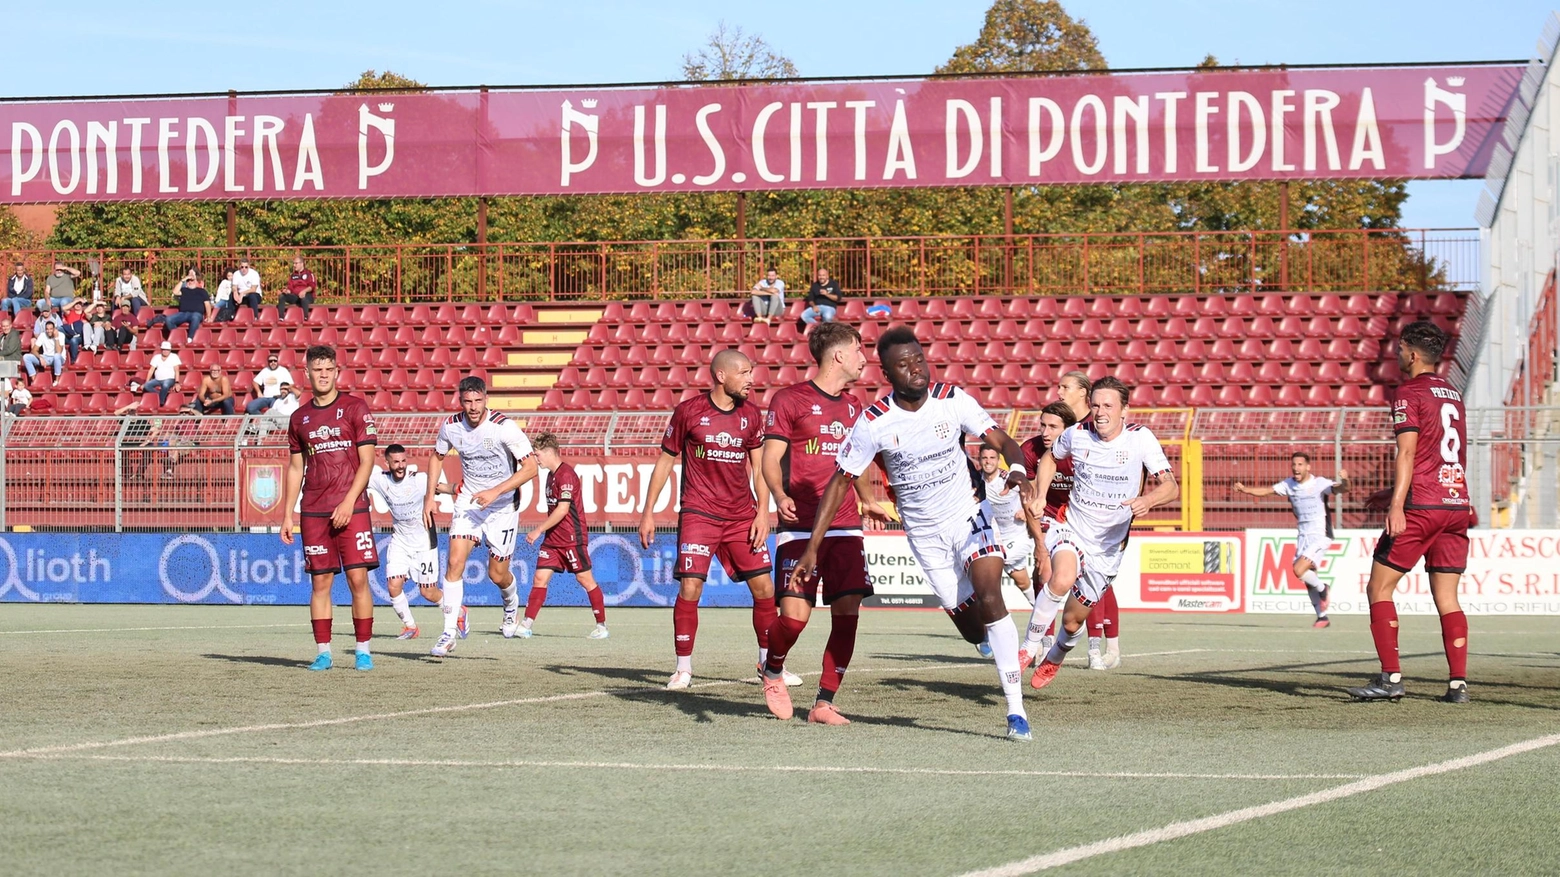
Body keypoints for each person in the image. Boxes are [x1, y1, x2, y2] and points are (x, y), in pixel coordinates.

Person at [790, 326, 1038, 740]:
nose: (915, 370)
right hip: (925, 534)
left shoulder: (952, 400)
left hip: (969, 515)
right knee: (973, 628)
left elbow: (1002, 439)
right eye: (903, 365)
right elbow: (839, 482)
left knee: (991, 593)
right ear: (887, 373)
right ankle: (985, 640)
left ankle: (1016, 712)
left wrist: (1017, 472)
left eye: (919, 360)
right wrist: (813, 545)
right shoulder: (874, 422)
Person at [639, 348, 790, 691]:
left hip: (741, 516)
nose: (752, 379)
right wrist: (648, 512)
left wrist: (763, 512)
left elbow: (760, 467)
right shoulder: (688, 412)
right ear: (722, 376)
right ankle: (683, 668)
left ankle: (768, 665)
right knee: (691, 585)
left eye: (752, 372)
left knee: (764, 588)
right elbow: (665, 463)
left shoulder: (752, 415)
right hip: (699, 513)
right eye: (744, 372)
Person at [759, 321, 887, 725]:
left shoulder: (855, 407)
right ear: (838, 355)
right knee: (794, 618)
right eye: (859, 349)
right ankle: (773, 668)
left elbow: (859, 461)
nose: (864, 357)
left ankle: (824, 702)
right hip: (800, 527)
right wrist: (779, 495)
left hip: (846, 526)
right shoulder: (789, 400)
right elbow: (769, 457)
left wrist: (868, 500)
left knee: (847, 612)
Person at [1025, 377, 1179, 691]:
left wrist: (1147, 500)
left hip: (1108, 546)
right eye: (1095, 405)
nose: (1100, 412)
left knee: (1072, 621)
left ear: (1124, 410)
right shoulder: (1078, 434)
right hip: (1073, 527)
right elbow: (1050, 458)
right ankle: (1027, 647)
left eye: (1107, 405)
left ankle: (1056, 655)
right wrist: (1040, 493)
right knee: (1061, 577)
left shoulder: (1140, 439)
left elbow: (1170, 486)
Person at [1348, 321, 1473, 704]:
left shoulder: (1408, 392)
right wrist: (1393, 491)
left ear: (1413, 354)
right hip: (1454, 504)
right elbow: (1443, 453)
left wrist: (1399, 503)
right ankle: (1457, 685)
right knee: (1447, 597)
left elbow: (1407, 452)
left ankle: (1390, 679)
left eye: (1401, 350)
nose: (1398, 356)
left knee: (1379, 587)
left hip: (1422, 507)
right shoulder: (1452, 394)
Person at [421, 375, 538, 657]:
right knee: (454, 561)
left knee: (497, 574)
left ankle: (511, 604)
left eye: (477, 401)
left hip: (502, 506)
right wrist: (429, 497)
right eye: (467, 401)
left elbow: (531, 468)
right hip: (469, 502)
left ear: (486, 399)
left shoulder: (504, 427)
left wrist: (495, 491)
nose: (473, 407)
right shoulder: (451, 426)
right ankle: (449, 632)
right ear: (460, 401)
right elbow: (437, 457)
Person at [280, 345, 380, 672]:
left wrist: (349, 501)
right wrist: (286, 514)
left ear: (337, 372)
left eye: (328, 369)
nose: (323, 375)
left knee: (357, 579)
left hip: (353, 509)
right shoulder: (299, 418)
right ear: (306, 374)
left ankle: (362, 650)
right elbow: (296, 468)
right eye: (317, 369)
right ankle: (323, 651)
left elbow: (367, 462)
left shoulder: (355, 408)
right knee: (320, 583)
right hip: (314, 511)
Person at [1235, 454, 1350, 628]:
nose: (1296, 468)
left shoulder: (1319, 483)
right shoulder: (1289, 484)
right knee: (1307, 576)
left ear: (1308, 467)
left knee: (1298, 569)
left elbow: (1342, 489)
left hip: (1320, 534)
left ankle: (1323, 588)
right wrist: (1245, 490)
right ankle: (1322, 616)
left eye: (1300, 464)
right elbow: (1267, 491)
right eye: (1294, 464)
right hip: (1303, 534)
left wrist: (1346, 481)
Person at [520, 432, 610, 640]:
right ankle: (526, 624)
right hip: (553, 540)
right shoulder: (550, 476)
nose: (536, 458)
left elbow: (562, 510)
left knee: (585, 579)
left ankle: (601, 626)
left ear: (549, 452)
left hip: (571, 538)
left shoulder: (566, 475)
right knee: (540, 578)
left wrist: (538, 529)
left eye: (538, 454)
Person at [1016, 401, 1084, 667]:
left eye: (1053, 427)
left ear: (1068, 430)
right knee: (1044, 571)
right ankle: (1042, 642)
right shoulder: (1030, 451)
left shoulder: (1082, 449)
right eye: (1042, 425)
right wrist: (1040, 547)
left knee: (1088, 581)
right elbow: (1031, 501)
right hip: (1048, 515)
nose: (1045, 431)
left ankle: (1101, 644)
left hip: (1082, 517)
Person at [367, 444, 449, 640]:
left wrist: (460, 489)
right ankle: (410, 626)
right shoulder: (379, 480)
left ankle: (457, 609)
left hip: (424, 542)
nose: (401, 465)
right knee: (393, 585)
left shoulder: (419, 480)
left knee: (428, 592)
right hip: (400, 541)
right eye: (396, 462)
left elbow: (440, 487)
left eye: (404, 461)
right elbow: (356, 477)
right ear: (386, 462)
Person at [980, 446, 1034, 601]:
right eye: (985, 458)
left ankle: (993, 610)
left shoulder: (1008, 479)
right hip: (997, 538)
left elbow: (1032, 491)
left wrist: (1025, 510)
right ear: (980, 460)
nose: (988, 461)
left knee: (994, 562)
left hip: (1019, 534)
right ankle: (1041, 612)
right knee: (1022, 582)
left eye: (992, 458)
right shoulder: (977, 480)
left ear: (998, 460)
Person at [165, 270, 213, 339]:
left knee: (195, 317)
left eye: (192, 280)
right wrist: (183, 280)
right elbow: (175, 292)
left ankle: (190, 338)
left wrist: (208, 316)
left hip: (196, 313)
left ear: (196, 281)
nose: (190, 282)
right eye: (188, 281)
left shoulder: (202, 291)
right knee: (168, 319)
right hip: (183, 313)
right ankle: (178, 337)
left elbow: (207, 304)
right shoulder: (184, 290)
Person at [142, 341, 181, 406]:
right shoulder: (156, 357)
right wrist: (147, 381)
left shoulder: (174, 357)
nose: (165, 351)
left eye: (167, 350)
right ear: (161, 350)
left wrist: (177, 382)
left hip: (169, 378)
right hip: (157, 379)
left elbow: (177, 370)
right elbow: (151, 370)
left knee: (165, 385)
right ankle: (161, 395)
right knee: (147, 386)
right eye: (164, 349)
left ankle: (161, 402)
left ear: (170, 350)